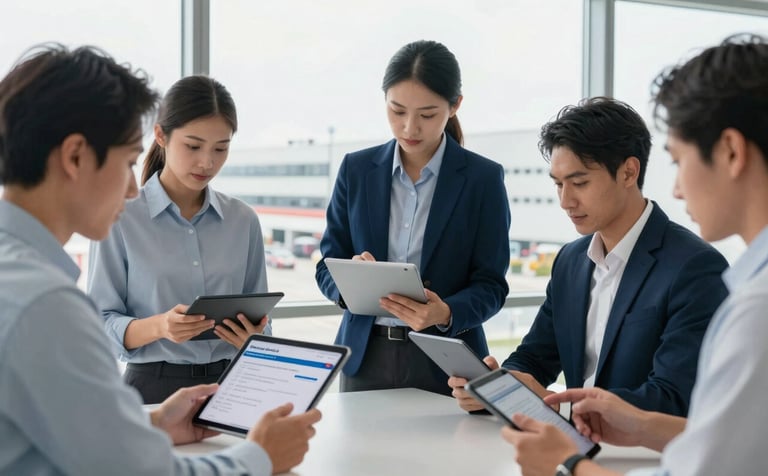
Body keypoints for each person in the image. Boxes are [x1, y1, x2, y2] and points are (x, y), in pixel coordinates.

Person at [0, 44, 319, 475]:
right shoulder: (45, 304)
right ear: (75, 156)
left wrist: (149, 422)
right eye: (128, 162)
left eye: (220, 149)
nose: (133, 189)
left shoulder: (19, 278)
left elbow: (66, 434)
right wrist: (260, 458)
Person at [503, 33, 768, 476]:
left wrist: (565, 465)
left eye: (680, 161)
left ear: (731, 151)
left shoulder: (736, 291)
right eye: (557, 184)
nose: (679, 188)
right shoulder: (571, 261)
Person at [449, 97, 728, 417]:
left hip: (643, 458)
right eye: (558, 184)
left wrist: (559, 406)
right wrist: (499, 386)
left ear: (628, 172)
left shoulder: (695, 268)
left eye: (579, 182)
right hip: (571, 447)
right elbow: (535, 358)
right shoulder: (570, 260)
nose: (566, 201)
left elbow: (673, 398)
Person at [315, 40, 510, 395]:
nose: (409, 127)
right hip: (364, 357)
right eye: (397, 110)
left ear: (455, 106)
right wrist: (350, 284)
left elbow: (492, 286)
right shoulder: (356, 170)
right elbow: (326, 265)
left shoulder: (482, 179)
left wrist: (445, 312)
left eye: (427, 114)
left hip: (447, 363)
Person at [88, 75, 271, 403]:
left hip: (232, 386)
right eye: (193, 146)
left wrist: (255, 336)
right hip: (151, 388)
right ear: (160, 135)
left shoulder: (243, 221)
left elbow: (263, 321)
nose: (207, 162)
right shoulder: (121, 217)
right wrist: (159, 327)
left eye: (221, 148)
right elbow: (99, 323)